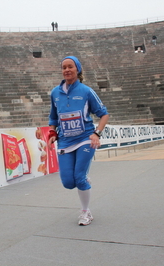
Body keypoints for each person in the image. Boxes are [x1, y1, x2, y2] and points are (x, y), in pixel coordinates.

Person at [48, 56, 109, 226]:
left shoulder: (86, 91)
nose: (67, 70)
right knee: (68, 182)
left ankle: (85, 212)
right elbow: (53, 118)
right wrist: (52, 133)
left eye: (70, 67)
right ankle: (83, 181)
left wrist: (97, 134)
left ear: (78, 69)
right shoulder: (55, 93)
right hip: (65, 142)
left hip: (85, 139)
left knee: (79, 178)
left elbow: (104, 114)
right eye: (64, 67)